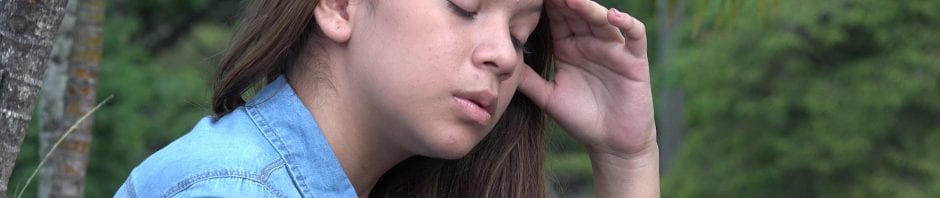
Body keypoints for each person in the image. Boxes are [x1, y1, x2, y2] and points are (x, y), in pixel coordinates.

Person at [116, 0, 658, 197]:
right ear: (339, 5)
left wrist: (626, 158)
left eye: (521, 35)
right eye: (465, 7)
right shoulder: (229, 191)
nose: (505, 56)